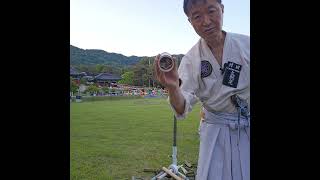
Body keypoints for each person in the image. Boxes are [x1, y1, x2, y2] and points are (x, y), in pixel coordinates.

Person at [154, 0, 250, 179]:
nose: (206, 21)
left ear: (222, 9)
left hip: (247, 125)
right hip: (215, 129)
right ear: (190, 21)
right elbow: (182, 108)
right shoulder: (191, 60)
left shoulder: (246, 45)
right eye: (197, 16)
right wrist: (173, 87)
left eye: (211, 11)